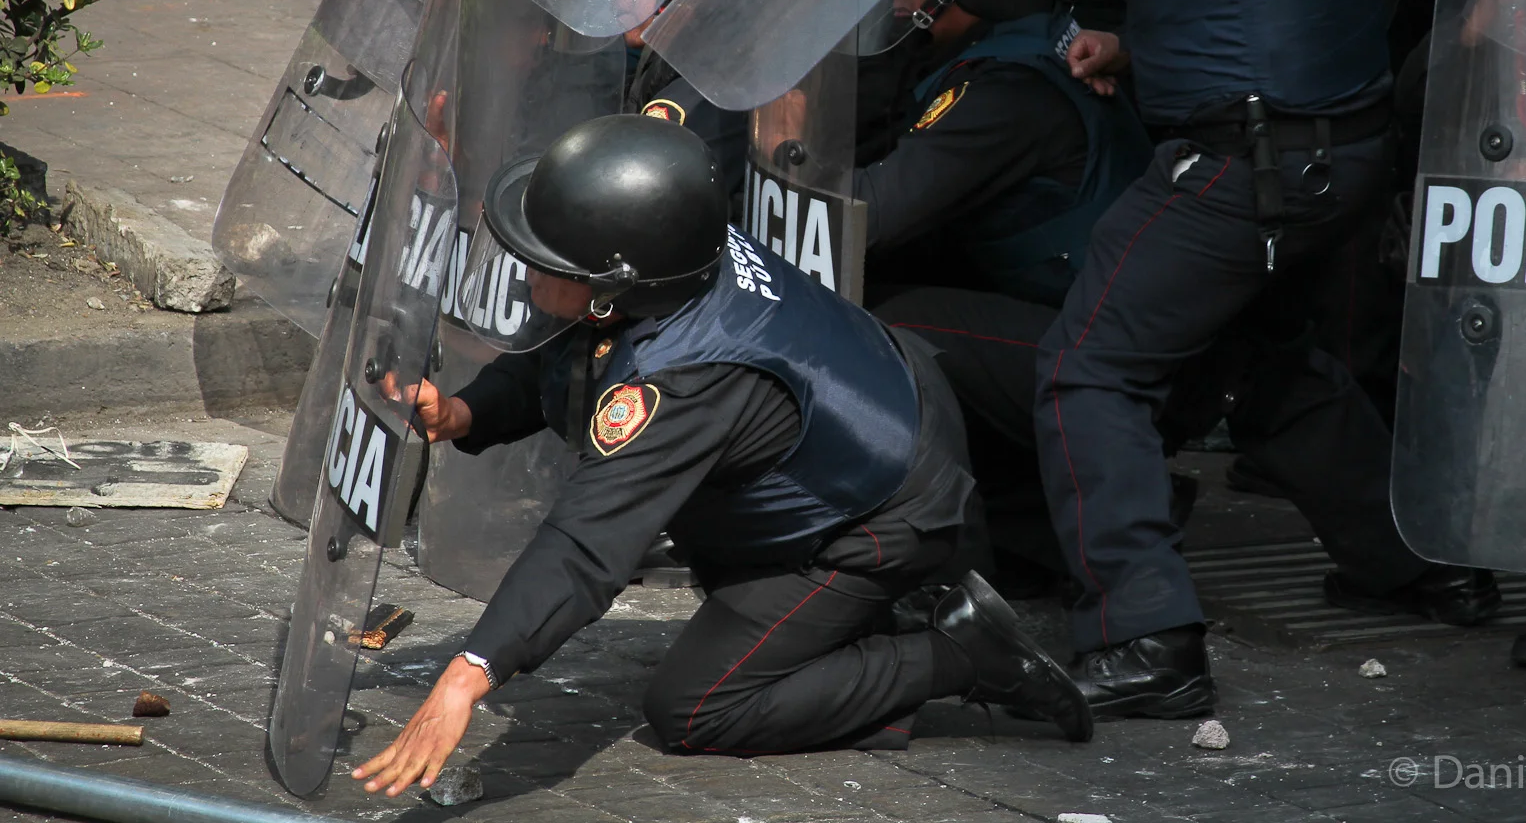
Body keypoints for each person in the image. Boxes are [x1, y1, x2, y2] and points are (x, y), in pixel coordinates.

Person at [1013, 0, 1500, 721]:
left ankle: (1147, 639)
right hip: (1329, 145)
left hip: (1246, 162)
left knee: (1086, 373)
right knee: (1264, 358)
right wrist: (1143, 40)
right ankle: (1418, 559)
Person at [348, 115, 1091, 797]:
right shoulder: (673, 254)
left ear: (610, 286)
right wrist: (465, 411)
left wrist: (468, 675)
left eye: (545, 264)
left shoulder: (689, 378)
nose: (526, 276)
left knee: (700, 707)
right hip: (874, 422)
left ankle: (963, 654)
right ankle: (860, 638)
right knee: (731, 596)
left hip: (882, 516)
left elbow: (584, 545)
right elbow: (575, 350)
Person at [853, 0, 1151, 308]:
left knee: (892, 322)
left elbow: (865, 219)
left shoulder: (1005, 92)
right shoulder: (1027, 36)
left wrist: (783, 130)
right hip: (1070, 292)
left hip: (1091, 328)